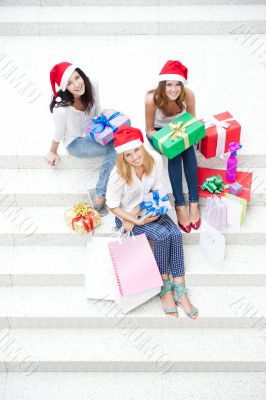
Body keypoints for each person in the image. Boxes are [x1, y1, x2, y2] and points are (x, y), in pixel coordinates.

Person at [106, 125, 198, 319]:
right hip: (126, 217)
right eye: (128, 155)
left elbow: (156, 187)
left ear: (141, 146)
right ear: (122, 157)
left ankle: (180, 290)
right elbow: (112, 205)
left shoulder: (154, 159)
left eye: (136, 151)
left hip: (148, 206)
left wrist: (145, 210)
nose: (134, 158)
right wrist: (134, 220)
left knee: (175, 233)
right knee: (163, 235)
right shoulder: (118, 174)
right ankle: (165, 288)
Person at [46, 62, 116, 215]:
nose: (77, 84)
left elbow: (97, 108)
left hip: (94, 131)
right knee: (116, 147)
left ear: (81, 74)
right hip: (75, 142)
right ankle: (100, 193)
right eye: (70, 83)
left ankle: (106, 191)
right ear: (65, 88)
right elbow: (59, 133)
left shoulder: (92, 84)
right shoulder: (61, 110)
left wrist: (106, 112)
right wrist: (52, 151)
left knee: (122, 137)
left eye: (77, 77)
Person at [145, 60, 200, 233]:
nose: (174, 89)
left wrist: (184, 137)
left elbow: (190, 123)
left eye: (178, 84)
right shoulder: (151, 99)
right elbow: (149, 130)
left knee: (188, 149)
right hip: (159, 133)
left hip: (181, 127)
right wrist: (168, 141)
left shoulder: (188, 95)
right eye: (169, 84)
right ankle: (179, 204)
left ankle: (194, 201)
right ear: (163, 84)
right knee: (175, 152)